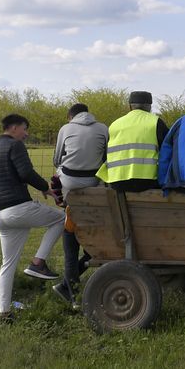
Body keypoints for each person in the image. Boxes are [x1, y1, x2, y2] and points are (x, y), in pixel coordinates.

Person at [0, 114, 64, 323]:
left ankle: (4, 314)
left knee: (7, 264)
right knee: (61, 219)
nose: (26, 134)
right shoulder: (15, 145)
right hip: (18, 208)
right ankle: (38, 263)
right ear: (13, 128)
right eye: (24, 128)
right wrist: (46, 188)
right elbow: (26, 172)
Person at [51, 102, 110, 306]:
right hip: (94, 183)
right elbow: (106, 157)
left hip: (70, 184)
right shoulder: (103, 128)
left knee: (70, 234)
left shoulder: (65, 129)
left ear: (70, 116)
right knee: (90, 227)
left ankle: (71, 289)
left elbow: (57, 159)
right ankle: (68, 283)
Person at [97, 91, 167, 192]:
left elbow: (105, 156)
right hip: (148, 182)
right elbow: (168, 153)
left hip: (117, 182)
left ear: (130, 106)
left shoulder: (115, 124)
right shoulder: (156, 122)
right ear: (149, 107)